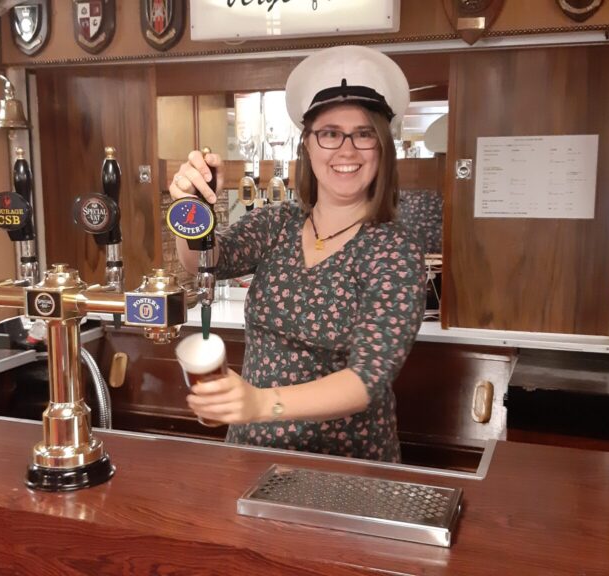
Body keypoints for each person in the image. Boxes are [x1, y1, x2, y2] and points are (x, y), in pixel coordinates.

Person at [168, 45, 426, 462]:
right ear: (307, 144)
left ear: (382, 147)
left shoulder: (394, 250)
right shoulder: (278, 223)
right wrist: (192, 208)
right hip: (252, 451)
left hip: (345, 466)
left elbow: (366, 380)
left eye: (364, 134)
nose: (346, 150)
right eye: (330, 133)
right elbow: (206, 261)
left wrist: (260, 403)